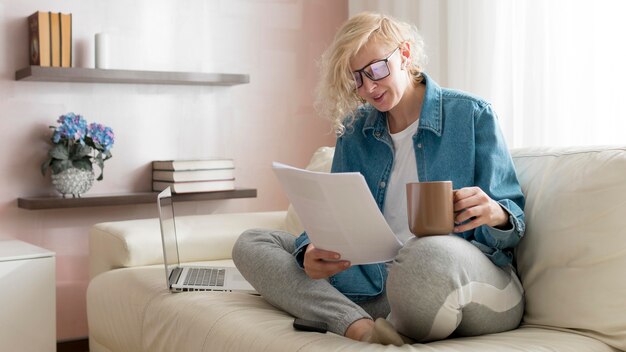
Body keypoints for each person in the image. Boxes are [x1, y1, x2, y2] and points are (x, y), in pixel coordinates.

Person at [232, 12, 525, 346]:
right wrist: (310, 252)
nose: (368, 87)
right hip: (377, 286)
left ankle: (352, 314)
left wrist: (496, 214)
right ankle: (359, 326)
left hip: (459, 278)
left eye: (376, 69)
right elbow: (333, 220)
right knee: (252, 243)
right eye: (356, 78)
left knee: (426, 252)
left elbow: (512, 220)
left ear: (404, 53)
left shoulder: (471, 115)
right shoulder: (356, 131)